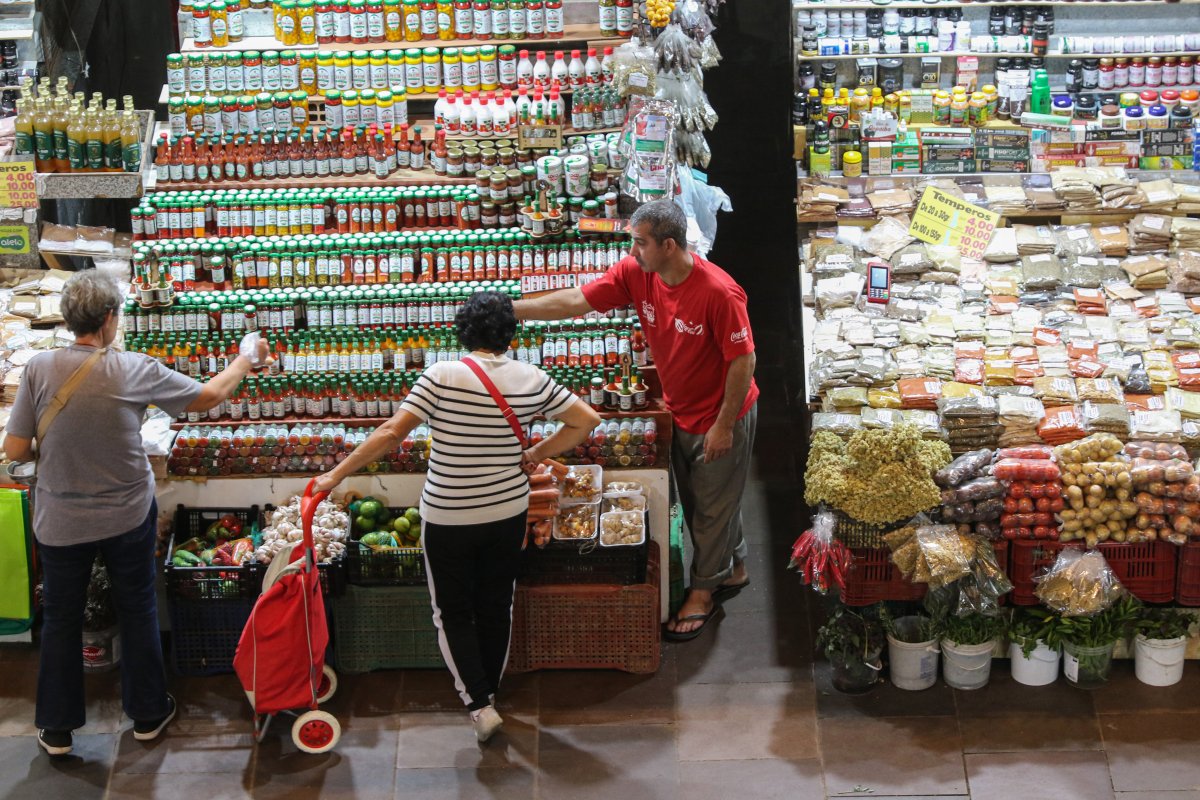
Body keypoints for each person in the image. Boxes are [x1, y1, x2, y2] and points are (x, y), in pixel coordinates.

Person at [3, 269, 270, 757]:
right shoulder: (132, 368)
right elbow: (208, 397)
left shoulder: (39, 368)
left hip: (60, 519)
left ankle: (57, 728)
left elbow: (15, 447)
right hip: (125, 515)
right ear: (109, 318)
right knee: (137, 607)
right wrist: (243, 360)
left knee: (60, 619)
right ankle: (147, 713)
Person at [314, 290, 601, 742]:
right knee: (497, 604)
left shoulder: (441, 374)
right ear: (510, 334)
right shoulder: (532, 377)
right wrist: (535, 453)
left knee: (452, 612)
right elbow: (586, 420)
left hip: (448, 515)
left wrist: (336, 474)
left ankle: (479, 704)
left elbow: (391, 433)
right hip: (507, 511)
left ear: (463, 332)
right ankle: (490, 691)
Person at [514, 199, 758, 642]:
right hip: (681, 408)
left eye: (640, 242)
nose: (632, 251)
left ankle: (703, 593)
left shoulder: (719, 292)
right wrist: (512, 309)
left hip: (721, 414)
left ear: (669, 245)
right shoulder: (637, 273)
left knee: (710, 508)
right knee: (708, 500)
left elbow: (744, 361)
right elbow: (577, 300)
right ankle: (733, 568)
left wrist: (723, 426)